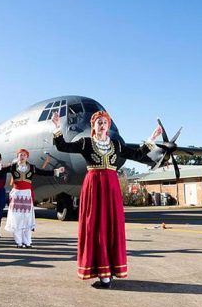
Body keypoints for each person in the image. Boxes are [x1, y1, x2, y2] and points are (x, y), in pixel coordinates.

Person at [51, 110, 160, 289]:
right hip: (93, 186)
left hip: (111, 188)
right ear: (93, 126)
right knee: (95, 227)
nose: (102, 125)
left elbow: (137, 155)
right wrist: (56, 126)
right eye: (99, 122)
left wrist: (152, 138)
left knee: (111, 226)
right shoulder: (85, 143)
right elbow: (62, 146)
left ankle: (108, 274)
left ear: (108, 126)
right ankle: (103, 275)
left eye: (105, 122)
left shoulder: (116, 144)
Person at [3, 148, 64, 249]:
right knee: (17, 218)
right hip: (16, 195)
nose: (22, 157)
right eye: (20, 155)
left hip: (27, 195)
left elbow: (43, 172)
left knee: (27, 218)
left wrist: (56, 171)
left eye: (24, 155)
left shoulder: (32, 167)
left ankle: (27, 242)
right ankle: (19, 242)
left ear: (27, 157)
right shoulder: (13, 167)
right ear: (17, 156)